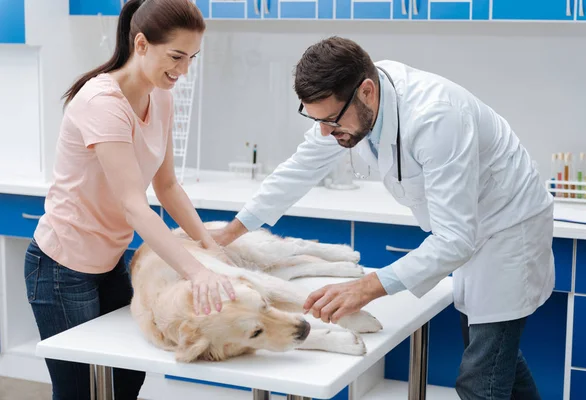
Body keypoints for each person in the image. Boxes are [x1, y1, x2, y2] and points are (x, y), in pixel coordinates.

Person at [210, 36, 554, 399]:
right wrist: (230, 233)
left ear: (367, 92)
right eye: (317, 121)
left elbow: (455, 240)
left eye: (330, 120)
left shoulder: (437, 118)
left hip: (508, 229)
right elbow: (299, 169)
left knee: (480, 379)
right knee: (498, 358)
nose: (325, 132)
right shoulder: (352, 103)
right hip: (471, 227)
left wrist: (366, 288)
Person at [23, 1, 236, 399]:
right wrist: (196, 271)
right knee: (78, 391)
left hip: (109, 260)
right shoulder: (103, 103)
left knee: (126, 379)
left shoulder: (161, 96)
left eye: (191, 58)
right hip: (60, 267)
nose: (183, 70)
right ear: (141, 44)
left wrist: (210, 244)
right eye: (176, 56)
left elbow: (168, 185)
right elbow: (133, 204)